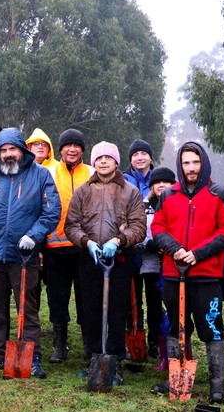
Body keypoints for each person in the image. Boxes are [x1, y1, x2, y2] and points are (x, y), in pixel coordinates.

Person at [0, 128, 61, 378]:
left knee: (27, 308)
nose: (8, 154)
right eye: (3, 150)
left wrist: (34, 235)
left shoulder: (40, 176)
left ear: (22, 151)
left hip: (24, 257)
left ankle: (33, 356)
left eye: (12, 149)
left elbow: (51, 212)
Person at [150, 141, 224, 403]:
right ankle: (175, 381)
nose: (191, 168)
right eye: (186, 162)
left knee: (212, 327)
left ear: (204, 163)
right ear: (180, 164)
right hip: (173, 274)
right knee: (176, 328)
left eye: (195, 162)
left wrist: (197, 254)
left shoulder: (218, 193)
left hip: (206, 275)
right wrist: (175, 249)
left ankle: (217, 386)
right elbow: (157, 228)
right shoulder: (168, 195)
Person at [64, 141, 146, 386]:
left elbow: (139, 227)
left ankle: (115, 360)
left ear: (116, 162)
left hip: (118, 260)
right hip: (90, 259)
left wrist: (119, 240)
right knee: (90, 309)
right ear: (93, 162)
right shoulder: (83, 191)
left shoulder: (130, 191)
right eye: (98, 158)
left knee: (116, 310)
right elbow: (71, 225)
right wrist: (86, 242)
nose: (102, 162)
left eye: (107, 158)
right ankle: (93, 358)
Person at [43, 128, 94, 363]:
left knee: (86, 297)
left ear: (82, 149)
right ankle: (59, 344)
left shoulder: (92, 173)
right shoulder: (48, 173)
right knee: (57, 297)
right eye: (67, 145)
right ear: (60, 149)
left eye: (76, 145)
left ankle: (88, 344)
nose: (72, 149)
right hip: (55, 247)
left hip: (86, 247)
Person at [136, 167, 176, 362]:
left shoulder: (177, 202)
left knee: (170, 304)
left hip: (173, 262)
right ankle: (154, 342)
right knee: (152, 304)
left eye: (166, 182)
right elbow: (136, 230)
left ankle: (168, 342)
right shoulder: (143, 205)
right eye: (157, 182)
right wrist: (151, 244)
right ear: (151, 185)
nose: (161, 185)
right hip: (149, 263)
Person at [123, 138, 157, 356]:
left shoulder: (161, 179)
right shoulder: (123, 180)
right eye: (135, 155)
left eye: (143, 153)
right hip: (131, 249)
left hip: (154, 251)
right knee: (132, 298)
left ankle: (155, 340)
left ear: (150, 158)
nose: (139, 157)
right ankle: (134, 337)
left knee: (155, 298)